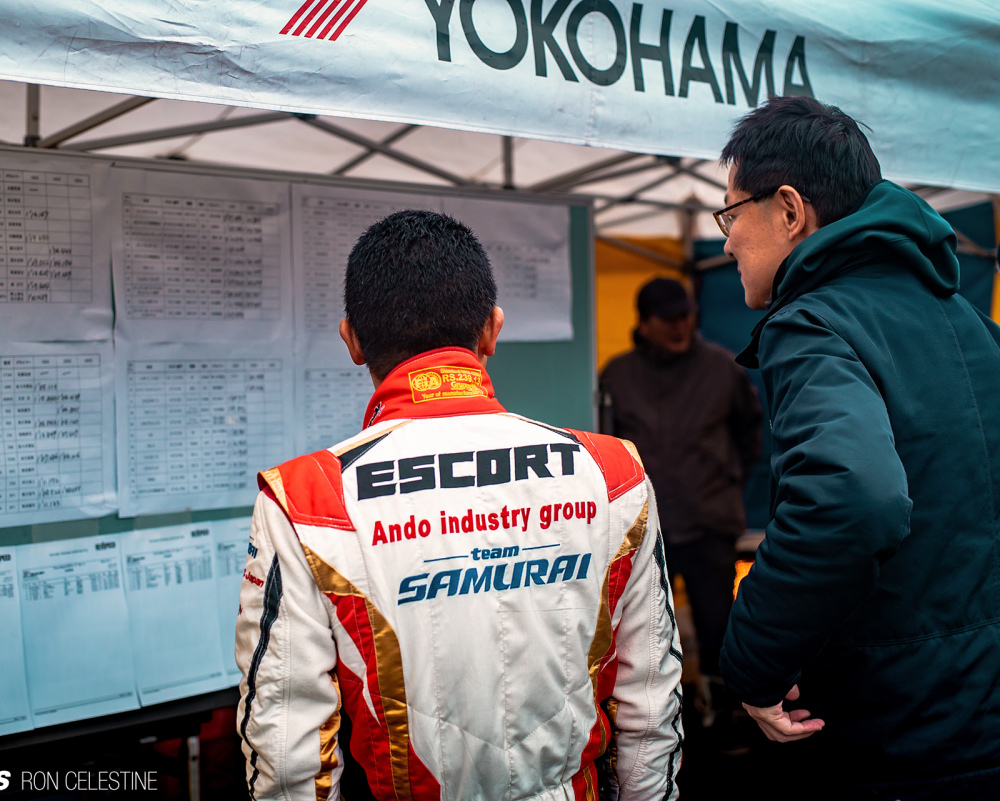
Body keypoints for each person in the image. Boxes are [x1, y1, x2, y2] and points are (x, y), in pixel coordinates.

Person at [236, 210, 683, 801]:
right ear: (493, 329)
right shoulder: (614, 474)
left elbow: (285, 748)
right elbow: (650, 700)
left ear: (352, 341)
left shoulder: (305, 499)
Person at [717, 95, 1000, 798]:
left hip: (899, 732)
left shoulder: (810, 323)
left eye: (730, 214)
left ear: (789, 210)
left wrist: (751, 658)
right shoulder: (966, 318)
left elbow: (851, 499)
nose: (726, 243)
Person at [600, 277, 761, 706]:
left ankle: (725, 714)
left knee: (718, 626)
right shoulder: (618, 374)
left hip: (710, 521)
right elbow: (606, 446)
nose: (679, 326)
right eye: (668, 318)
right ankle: (658, 715)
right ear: (644, 323)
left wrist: (726, 479)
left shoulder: (722, 367)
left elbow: (750, 433)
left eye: (686, 316)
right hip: (646, 528)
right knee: (646, 631)